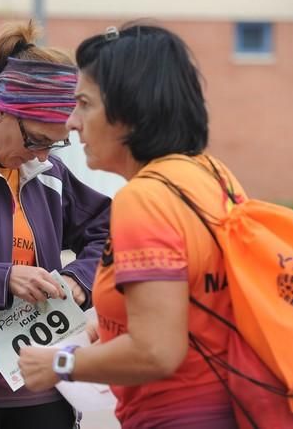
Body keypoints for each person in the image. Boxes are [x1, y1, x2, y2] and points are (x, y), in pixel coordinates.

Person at [18, 23, 247, 428]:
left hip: (176, 414)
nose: (72, 122)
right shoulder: (212, 176)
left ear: (129, 113)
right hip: (233, 404)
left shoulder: (144, 199)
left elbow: (157, 350)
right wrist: (109, 330)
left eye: (84, 104)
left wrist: (60, 362)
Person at [0, 22, 111, 429]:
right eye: (35, 139)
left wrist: (80, 280)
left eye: (55, 142)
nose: (43, 153)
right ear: (0, 109)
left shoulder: (48, 171)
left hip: (46, 390)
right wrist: (3, 278)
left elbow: (113, 231)